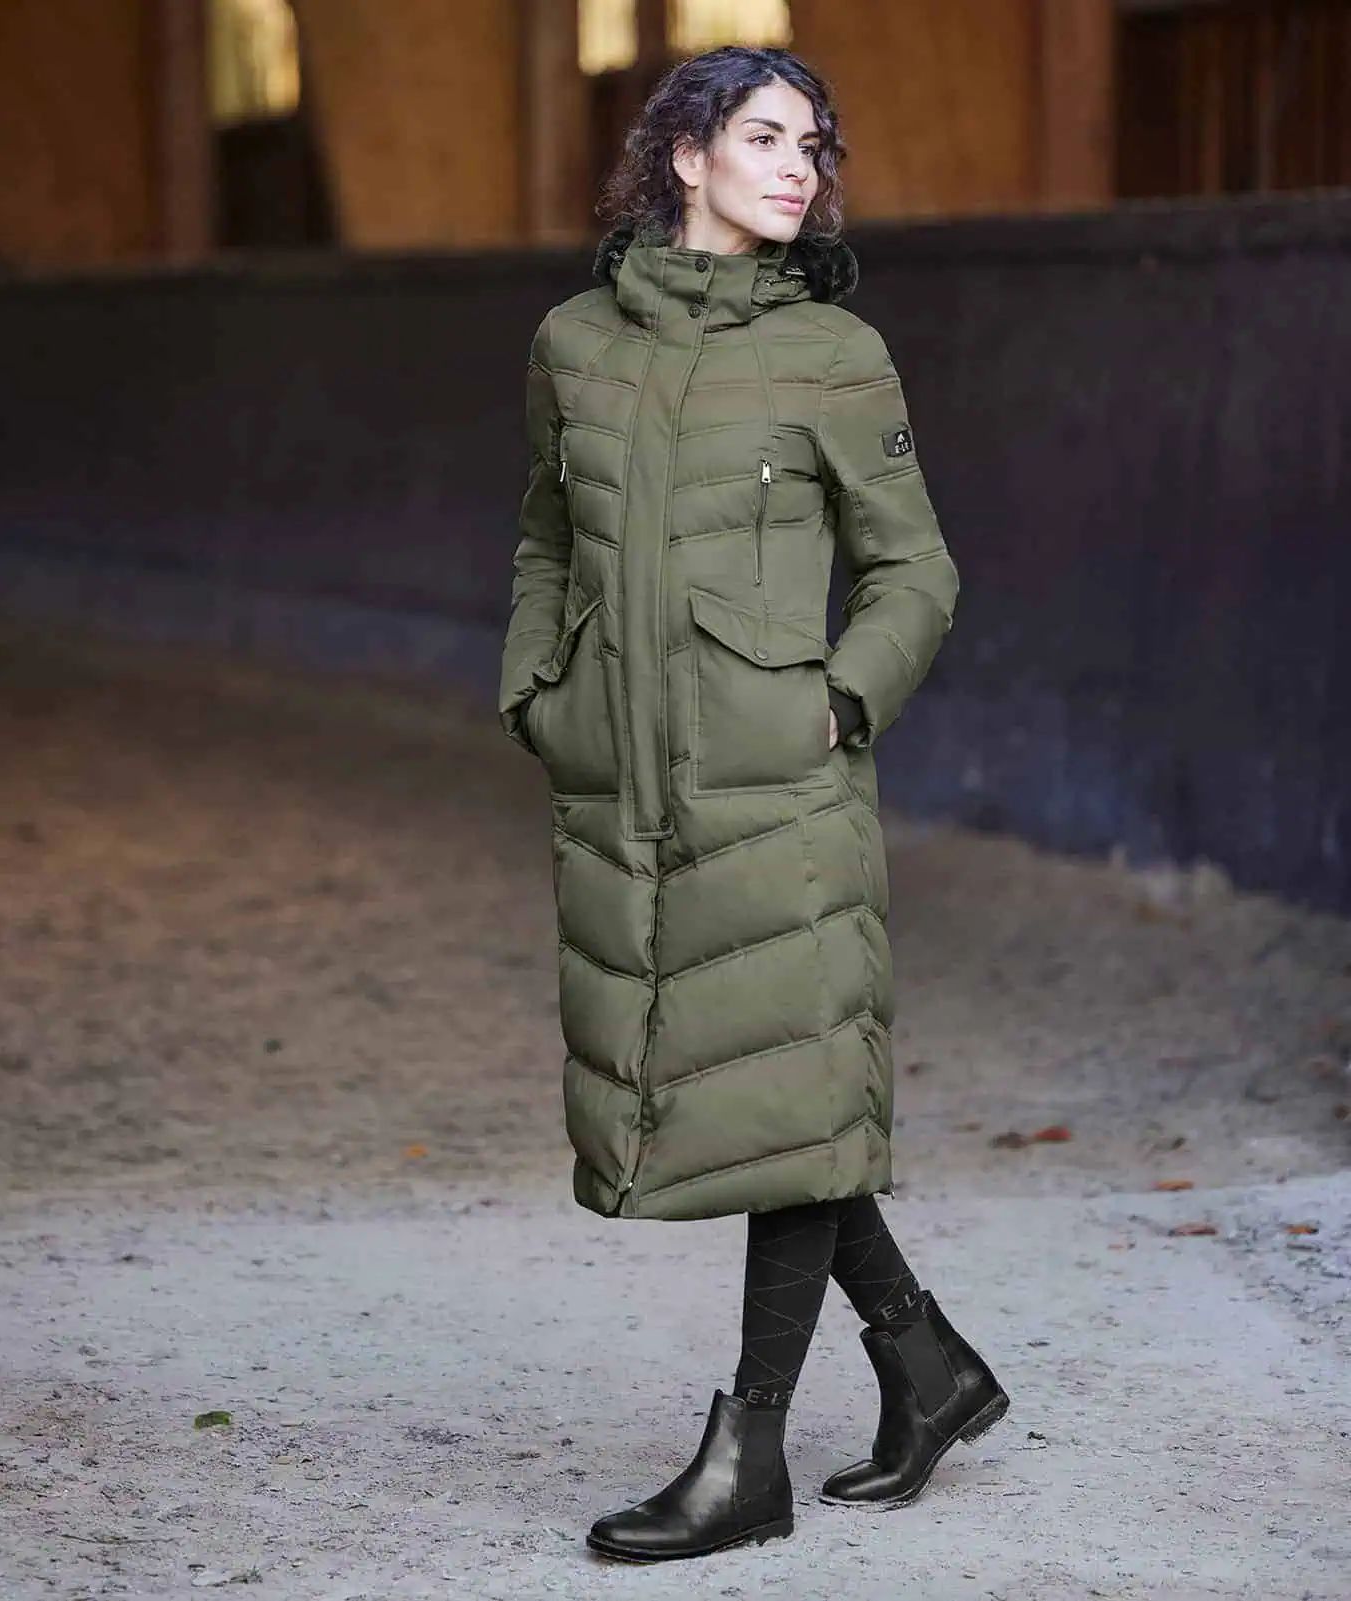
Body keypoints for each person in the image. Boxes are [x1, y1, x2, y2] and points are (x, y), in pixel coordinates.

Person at [497, 44, 1008, 1563]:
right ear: (685, 156)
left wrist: (839, 700)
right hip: (628, 782)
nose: (800, 167)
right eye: (768, 136)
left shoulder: (835, 352)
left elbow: (918, 570)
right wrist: (538, 687)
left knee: (786, 1096)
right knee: (733, 1089)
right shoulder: (573, 344)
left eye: (814, 144)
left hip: (786, 782)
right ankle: (929, 1368)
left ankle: (750, 1453)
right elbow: (547, 536)